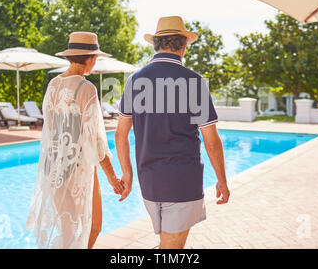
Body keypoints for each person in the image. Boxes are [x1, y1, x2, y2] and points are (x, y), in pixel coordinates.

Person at [115, 16, 230, 249]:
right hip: (182, 182)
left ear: (156, 44)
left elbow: (120, 134)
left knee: (167, 244)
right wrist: (222, 180)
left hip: (148, 183)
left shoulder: (134, 81)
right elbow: (212, 141)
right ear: (184, 45)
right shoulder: (194, 82)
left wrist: (127, 173)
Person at [26, 31, 123, 249]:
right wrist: (113, 178)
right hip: (77, 165)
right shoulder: (86, 88)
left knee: (76, 228)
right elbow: (96, 140)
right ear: (90, 58)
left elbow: (49, 128)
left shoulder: (53, 84)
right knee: (87, 227)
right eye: (95, 58)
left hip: (54, 165)